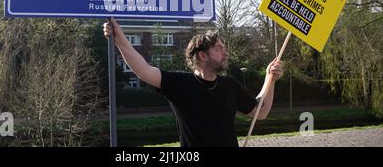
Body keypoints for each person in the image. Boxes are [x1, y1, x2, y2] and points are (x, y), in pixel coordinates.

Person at [103, 18, 283, 147]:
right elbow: (143, 70)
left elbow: (261, 112)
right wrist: (120, 39)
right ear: (202, 55)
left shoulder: (230, 85)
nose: (226, 53)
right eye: (219, 49)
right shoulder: (180, 84)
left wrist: (270, 79)